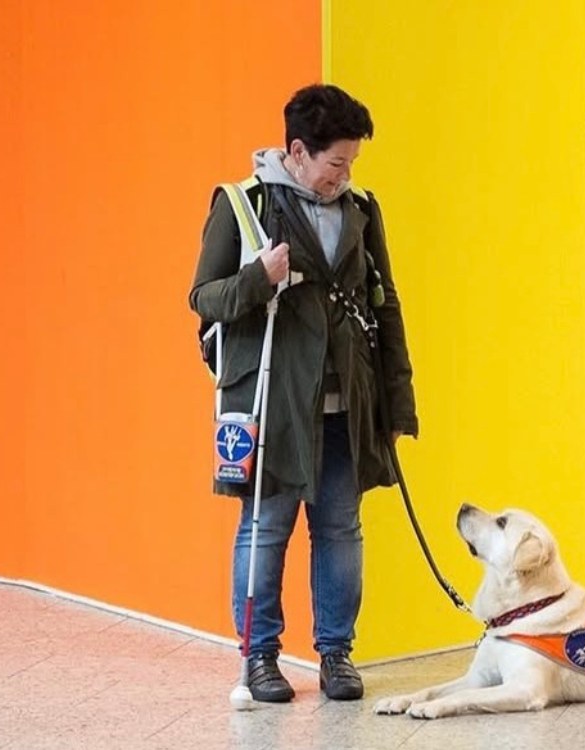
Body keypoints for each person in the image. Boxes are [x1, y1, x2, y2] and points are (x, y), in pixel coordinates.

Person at [188, 84, 418, 702]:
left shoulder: (362, 210)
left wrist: (398, 405)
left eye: (351, 164)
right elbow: (202, 298)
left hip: (349, 405)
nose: (342, 176)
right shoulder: (243, 205)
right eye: (335, 163)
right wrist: (258, 279)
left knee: (341, 530)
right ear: (297, 151)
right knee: (264, 529)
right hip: (273, 402)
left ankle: (336, 655)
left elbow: (384, 307)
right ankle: (259, 657)